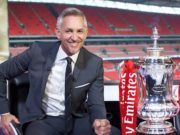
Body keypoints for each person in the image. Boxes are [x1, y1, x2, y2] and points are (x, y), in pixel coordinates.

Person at [0, 7, 119, 135]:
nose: (74, 37)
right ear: (58, 33)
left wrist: (99, 121)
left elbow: (96, 102)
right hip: (43, 120)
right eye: (69, 31)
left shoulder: (94, 63)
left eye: (79, 31)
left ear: (85, 33)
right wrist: (4, 113)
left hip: (77, 119)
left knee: (114, 133)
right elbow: (1, 72)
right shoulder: (37, 51)